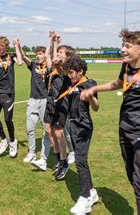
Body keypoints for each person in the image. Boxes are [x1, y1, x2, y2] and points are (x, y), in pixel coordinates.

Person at [82, 29, 140, 215]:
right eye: (122, 45)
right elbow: (117, 84)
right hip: (124, 128)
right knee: (132, 176)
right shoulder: (126, 66)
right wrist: (93, 89)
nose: (122, 49)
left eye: (127, 46)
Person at [62, 56, 99, 214]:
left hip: (83, 126)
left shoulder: (89, 84)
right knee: (80, 159)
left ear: (80, 71)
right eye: (68, 73)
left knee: (80, 160)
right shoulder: (73, 84)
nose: (69, 75)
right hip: (72, 126)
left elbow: (96, 107)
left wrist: (90, 97)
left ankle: (85, 198)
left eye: (71, 73)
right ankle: (92, 192)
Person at [35, 32, 74, 179]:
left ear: (68, 57)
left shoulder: (66, 68)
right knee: (48, 130)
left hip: (62, 104)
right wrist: (53, 41)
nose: (58, 54)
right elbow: (48, 58)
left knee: (58, 132)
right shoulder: (53, 67)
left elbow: (60, 67)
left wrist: (56, 55)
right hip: (50, 102)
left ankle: (63, 162)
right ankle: (59, 157)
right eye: (58, 53)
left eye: (61, 53)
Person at [18, 44, 50, 163]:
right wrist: (18, 45)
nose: (37, 56)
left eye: (40, 54)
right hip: (32, 100)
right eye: (36, 54)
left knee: (46, 129)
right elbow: (23, 56)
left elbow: (49, 56)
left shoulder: (50, 67)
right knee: (29, 128)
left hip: (45, 100)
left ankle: (43, 157)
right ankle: (31, 152)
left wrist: (51, 41)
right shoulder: (33, 65)